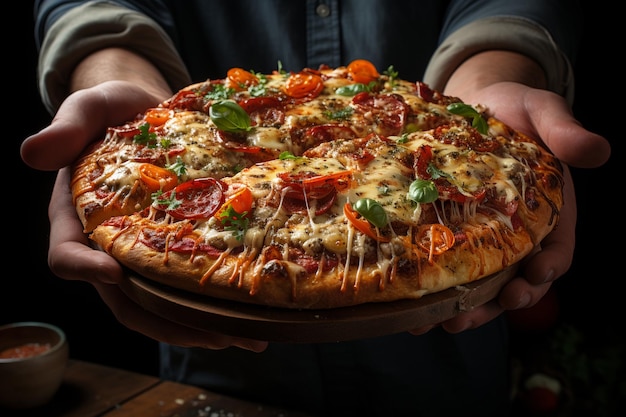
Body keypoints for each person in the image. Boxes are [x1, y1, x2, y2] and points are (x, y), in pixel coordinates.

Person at [22, 1, 611, 416]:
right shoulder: (129, 200)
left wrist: (493, 80)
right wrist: (116, 84)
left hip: (442, 356)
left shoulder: (502, 201)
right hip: (216, 347)